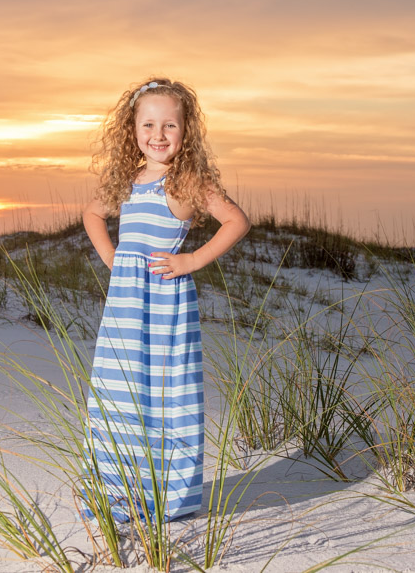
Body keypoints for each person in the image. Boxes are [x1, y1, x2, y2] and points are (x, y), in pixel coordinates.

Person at [81, 77, 250, 523]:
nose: (158, 135)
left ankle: (166, 497)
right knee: (119, 391)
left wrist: (192, 259)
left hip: (165, 306)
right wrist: (112, 258)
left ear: (185, 132)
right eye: (149, 124)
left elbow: (236, 220)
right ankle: (117, 494)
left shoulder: (185, 181)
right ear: (132, 130)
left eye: (170, 125)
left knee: (163, 391)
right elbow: (92, 213)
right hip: (124, 306)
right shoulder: (127, 178)